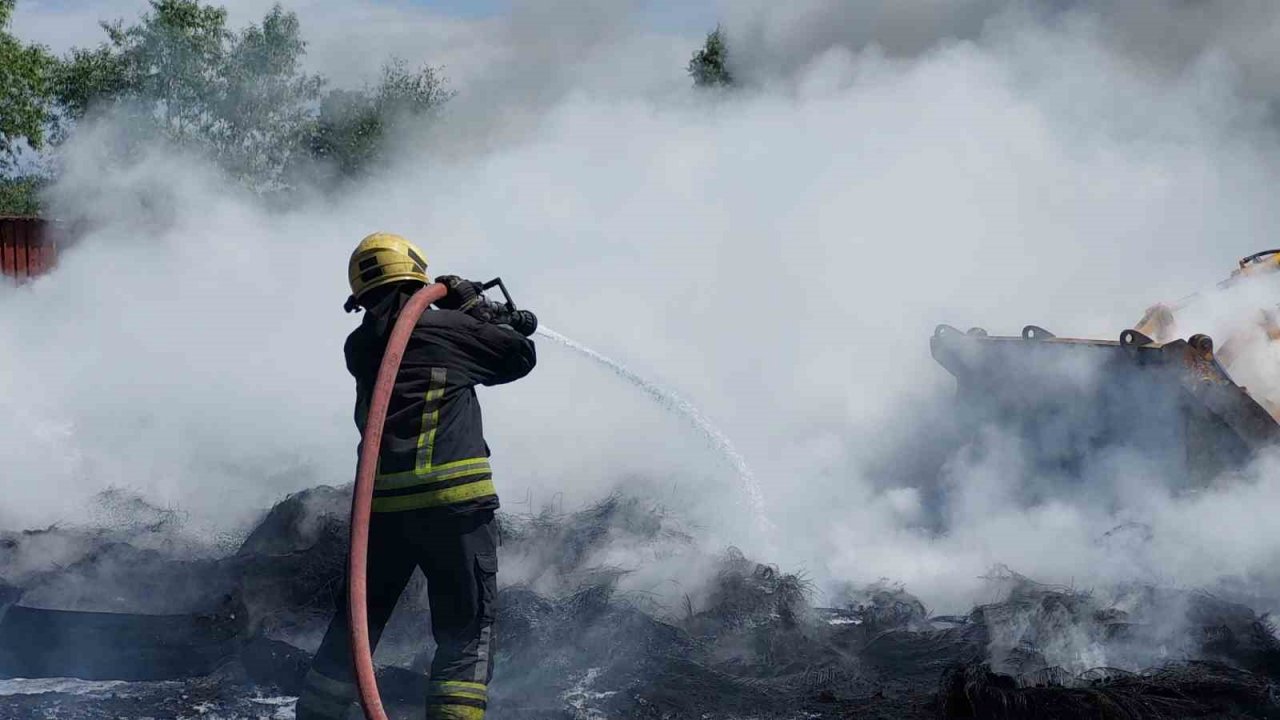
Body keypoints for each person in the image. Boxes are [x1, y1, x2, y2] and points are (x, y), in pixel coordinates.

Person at [296, 232, 537, 720]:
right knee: (466, 629)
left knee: (356, 625)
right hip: (454, 509)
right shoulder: (444, 331)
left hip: (382, 513)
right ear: (416, 275)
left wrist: (466, 317)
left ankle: (317, 714)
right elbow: (518, 357)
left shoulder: (360, 345)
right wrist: (476, 312)